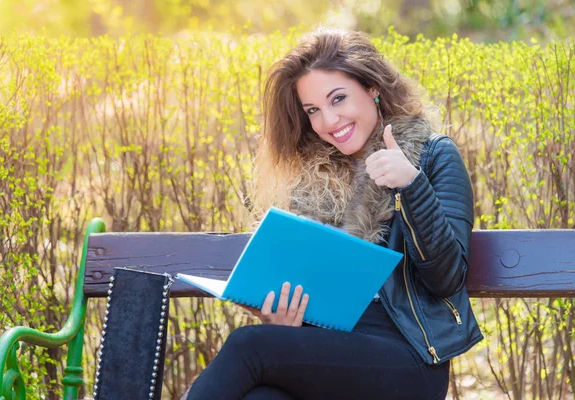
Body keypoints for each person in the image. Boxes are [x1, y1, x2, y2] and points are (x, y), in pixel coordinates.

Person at [183, 27, 483, 400]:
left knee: (249, 346)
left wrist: (412, 185)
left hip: (408, 358)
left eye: (338, 99)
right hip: (328, 351)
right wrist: (283, 317)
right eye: (313, 110)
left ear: (372, 88)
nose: (328, 121)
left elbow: (447, 277)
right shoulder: (313, 180)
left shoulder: (433, 155)